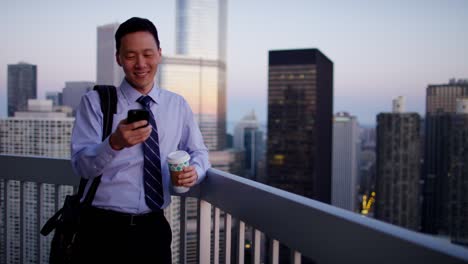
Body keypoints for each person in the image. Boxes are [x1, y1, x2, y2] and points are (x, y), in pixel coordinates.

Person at [70, 17, 210, 263]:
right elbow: (81, 166)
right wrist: (113, 143)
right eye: (131, 55)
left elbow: (199, 151)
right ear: (118, 58)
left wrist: (195, 172)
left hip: (153, 228)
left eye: (148, 54)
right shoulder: (96, 103)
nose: (141, 64)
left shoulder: (176, 105)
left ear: (159, 54)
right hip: (100, 230)